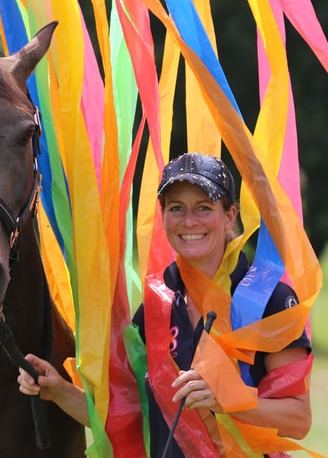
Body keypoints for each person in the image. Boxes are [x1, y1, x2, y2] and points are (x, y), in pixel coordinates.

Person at [18, 152, 312, 456]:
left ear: (229, 216)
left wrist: (228, 400)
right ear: (163, 216)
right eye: (176, 208)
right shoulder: (156, 304)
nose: (189, 221)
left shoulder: (270, 300)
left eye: (203, 207)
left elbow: (298, 419)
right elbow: (130, 417)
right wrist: (59, 391)